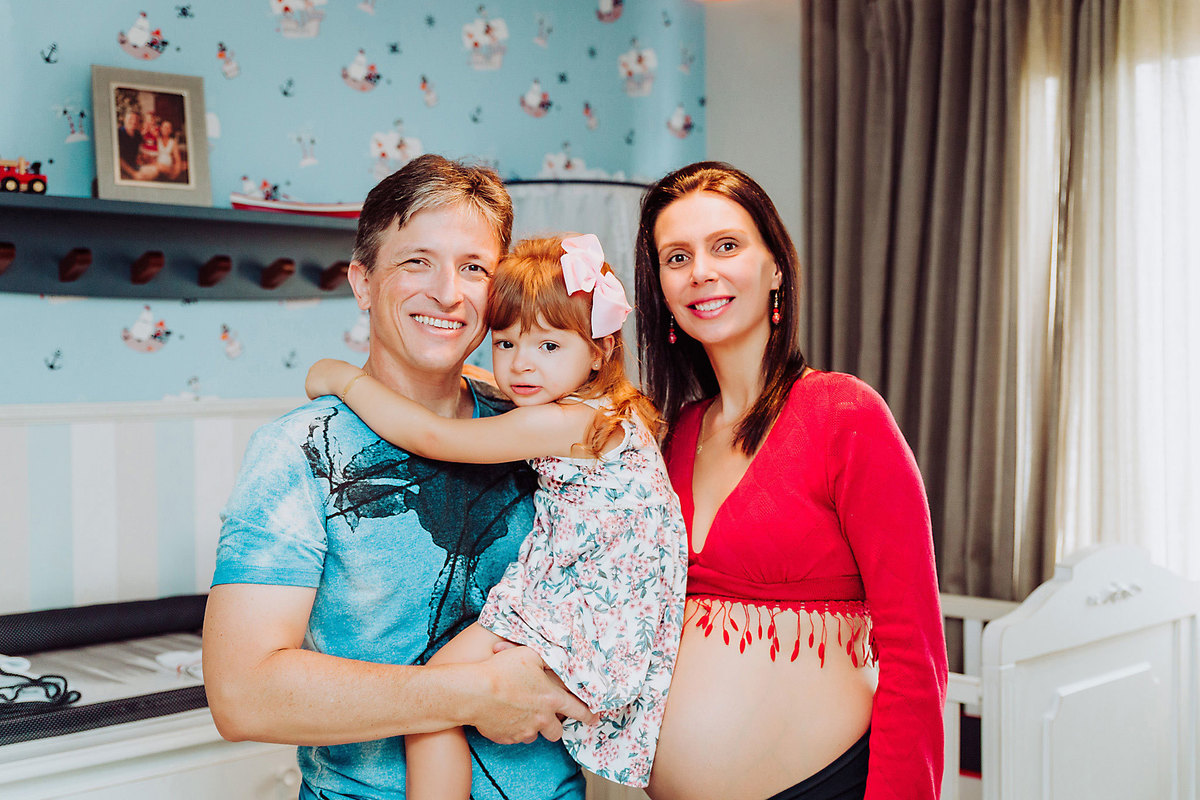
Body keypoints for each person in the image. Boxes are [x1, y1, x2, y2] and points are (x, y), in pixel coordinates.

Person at [203, 155, 594, 800]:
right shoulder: (299, 451)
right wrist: (478, 694)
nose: (448, 292)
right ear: (362, 282)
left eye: (474, 267)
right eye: (418, 261)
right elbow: (243, 695)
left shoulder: (541, 432)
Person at [305, 233, 687, 798]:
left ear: (600, 350)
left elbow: (434, 436)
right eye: (505, 345)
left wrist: (344, 379)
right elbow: (503, 387)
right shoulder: (605, 410)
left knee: (432, 695)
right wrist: (497, 372)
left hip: (580, 612)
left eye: (549, 348)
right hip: (604, 612)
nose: (521, 365)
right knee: (441, 695)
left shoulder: (562, 424)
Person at [633, 161, 948, 800]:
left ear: (776, 267)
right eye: (677, 256)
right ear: (662, 288)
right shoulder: (673, 436)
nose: (701, 271)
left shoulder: (844, 415)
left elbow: (916, 655)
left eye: (726, 246)